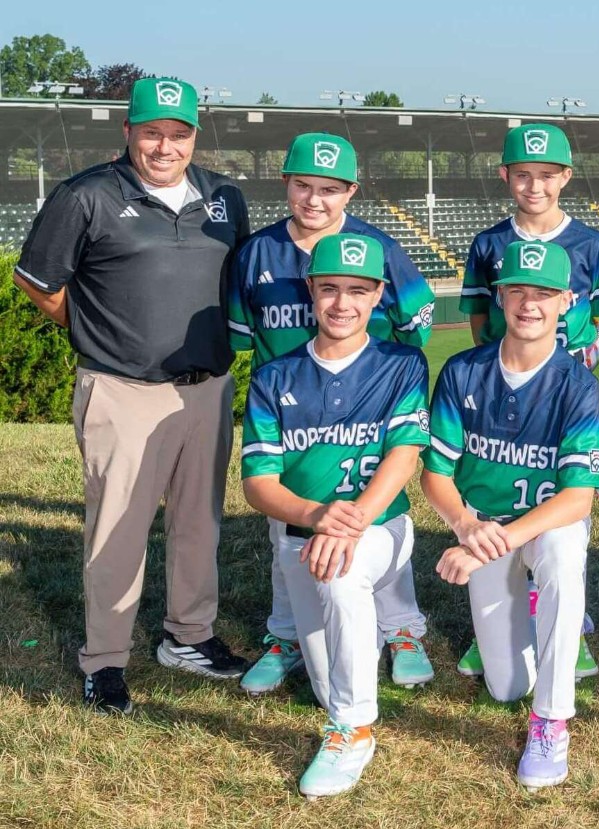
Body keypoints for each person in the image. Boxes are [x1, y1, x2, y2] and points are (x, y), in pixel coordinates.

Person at [12, 77, 251, 713]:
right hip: (122, 389)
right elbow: (37, 279)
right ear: (128, 133)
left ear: (194, 136)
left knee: (199, 522)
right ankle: (105, 659)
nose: (164, 146)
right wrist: (88, 327)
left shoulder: (224, 196)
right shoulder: (86, 194)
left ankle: (188, 636)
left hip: (207, 387)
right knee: (117, 531)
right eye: (151, 133)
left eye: (178, 134)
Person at [228, 131, 436, 696]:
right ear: (285, 183)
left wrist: (374, 377)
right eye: (303, 186)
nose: (314, 200)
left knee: (380, 515)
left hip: (367, 398)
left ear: (350, 192)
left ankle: (402, 629)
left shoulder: (379, 247)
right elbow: (243, 337)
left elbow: (414, 327)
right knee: (288, 535)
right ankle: (287, 636)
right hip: (290, 410)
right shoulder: (257, 253)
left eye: (329, 189)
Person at [238, 233, 431, 799]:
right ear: (311, 291)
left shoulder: (402, 363)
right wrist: (317, 514)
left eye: (357, 290)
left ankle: (354, 729)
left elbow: (404, 456)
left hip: (380, 529)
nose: (342, 303)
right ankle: (353, 648)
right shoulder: (274, 376)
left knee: (343, 575)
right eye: (329, 289)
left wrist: (351, 522)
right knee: (326, 680)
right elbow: (257, 485)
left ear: (378, 294)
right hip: (302, 535)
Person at [423, 239, 599, 790]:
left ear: (567, 301)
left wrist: (494, 541)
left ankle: (552, 720)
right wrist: (466, 526)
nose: (529, 304)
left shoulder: (577, 382)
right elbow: (435, 475)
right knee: (504, 686)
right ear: (499, 296)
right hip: (482, 521)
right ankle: (531, 609)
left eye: (544, 293)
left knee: (562, 557)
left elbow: (578, 498)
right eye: (517, 290)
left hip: (548, 522)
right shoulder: (462, 371)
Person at [457, 122, 599, 677]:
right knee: (499, 491)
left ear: (566, 177)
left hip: (567, 395)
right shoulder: (489, 244)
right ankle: (494, 623)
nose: (535, 186)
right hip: (506, 388)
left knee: (563, 511)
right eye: (523, 174)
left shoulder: (590, 243)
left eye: (547, 175)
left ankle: (568, 623)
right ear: (505, 175)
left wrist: (577, 366)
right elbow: (479, 321)